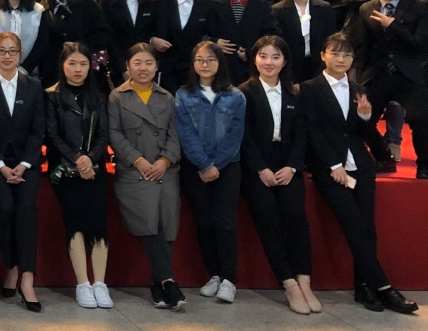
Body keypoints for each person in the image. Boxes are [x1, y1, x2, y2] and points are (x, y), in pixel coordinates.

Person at [298, 34, 417, 314]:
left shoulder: (358, 89)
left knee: (367, 228)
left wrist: (364, 117)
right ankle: (384, 287)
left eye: (347, 55)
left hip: (360, 165)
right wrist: (332, 165)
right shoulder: (309, 89)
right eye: (335, 53)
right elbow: (311, 131)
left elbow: (360, 132)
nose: (341, 59)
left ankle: (363, 287)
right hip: (329, 168)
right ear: (323, 55)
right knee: (353, 224)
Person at [238, 35, 319, 315]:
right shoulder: (244, 92)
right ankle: (289, 284)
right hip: (257, 167)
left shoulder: (296, 92)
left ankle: (305, 282)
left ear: (285, 61)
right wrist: (260, 168)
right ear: (254, 59)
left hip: (288, 165)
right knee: (269, 222)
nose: (269, 62)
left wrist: (293, 166)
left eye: (275, 57)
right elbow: (243, 136)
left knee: (297, 220)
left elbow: (301, 134)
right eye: (263, 56)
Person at [107, 43, 186, 310]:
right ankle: (169, 281)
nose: (143, 68)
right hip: (134, 172)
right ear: (127, 66)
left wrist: (164, 161)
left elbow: (175, 135)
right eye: (137, 63)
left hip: (165, 171)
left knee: (167, 225)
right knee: (150, 222)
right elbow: (114, 134)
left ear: (157, 67)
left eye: (149, 63)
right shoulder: (117, 96)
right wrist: (139, 161)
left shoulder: (167, 97)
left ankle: (157, 284)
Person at [0, 31, 46, 311]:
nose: (7, 56)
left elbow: (38, 131)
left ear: (20, 55)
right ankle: (11, 267)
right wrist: (2, 167)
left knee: (26, 209)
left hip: (26, 162)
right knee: (5, 208)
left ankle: (27, 279)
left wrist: (25, 164)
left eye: (12, 51)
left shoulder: (34, 86)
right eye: (2, 51)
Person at [174, 41, 247, 304]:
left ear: (220, 63)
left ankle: (228, 279)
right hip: (196, 168)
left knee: (224, 222)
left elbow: (235, 135)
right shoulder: (183, 95)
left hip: (228, 167)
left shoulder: (236, 96)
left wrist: (216, 164)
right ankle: (213, 274)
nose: (205, 64)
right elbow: (185, 133)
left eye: (210, 60)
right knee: (203, 222)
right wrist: (204, 164)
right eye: (199, 59)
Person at [345, 0, 428, 178]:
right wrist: (359, 80)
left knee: (421, 121)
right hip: (377, 73)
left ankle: (425, 165)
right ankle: (384, 158)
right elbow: (363, 46)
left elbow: (420, 44)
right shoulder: (367, 8)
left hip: (410, 74)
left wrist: (393, 26)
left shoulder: (421, 6)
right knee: (362, 119)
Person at [45, 41, 113, 309]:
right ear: (62, 65)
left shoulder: (99, 96)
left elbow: (104, 134)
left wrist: (90, 158)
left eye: (83, 64)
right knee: (75, 222)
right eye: (72, 63)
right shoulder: (51, 96)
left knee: (98, 223)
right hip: (64, 170)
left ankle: (101, 284)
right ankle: (83, 284)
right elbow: (52, 134)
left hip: (94, 168)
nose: (78, 69)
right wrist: (76, 159)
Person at [41, 0, 111, 86]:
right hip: (52, 71)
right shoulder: (45, 2)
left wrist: (79, 46)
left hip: (82, 71)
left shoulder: (87, 2)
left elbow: (103, 34)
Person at [152, 0, 218, 93]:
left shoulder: (207, 4)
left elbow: (209, 34)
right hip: (164, 66)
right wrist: (153, 40)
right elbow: (148, 28)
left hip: (192, 68)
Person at [208, 0, 278, 85]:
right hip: (219, 67)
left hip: (251, 69)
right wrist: (214, 42)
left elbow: (271, 34)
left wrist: (252, 52)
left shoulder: (260, 2)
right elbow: (199, 32)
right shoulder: (212, 0)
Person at [100, 0, 159, 87]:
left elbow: (159, 30)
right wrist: (123, 68)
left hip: (148, 66)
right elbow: (109, 36)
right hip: (119, 67)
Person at [270, 0, 337, 85]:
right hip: (288, 70)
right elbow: (277, 45)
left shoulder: (324, 9)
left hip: (319, 69)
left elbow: (330, 41)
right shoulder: (277, 11)